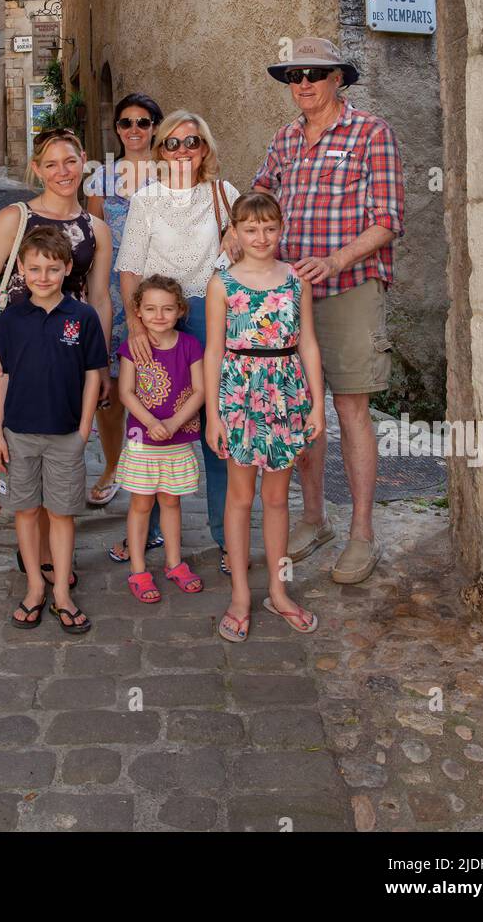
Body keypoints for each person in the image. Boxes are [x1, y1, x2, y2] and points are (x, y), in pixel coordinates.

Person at [253, 36, 404, 585]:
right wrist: (237, 234)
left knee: (351, 409)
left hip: (351, 287)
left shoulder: (371, 133)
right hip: (291, 294)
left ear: (339, 78)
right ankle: (314, 519)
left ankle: (362, 532)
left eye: (315, 74)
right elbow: (259, 198)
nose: (304, 84)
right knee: (301, 411)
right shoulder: (286, 139)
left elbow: (387, 219)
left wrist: (335, 260)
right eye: (294, 76)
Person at [0, 128, 112, 622]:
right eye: (52, 163)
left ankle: (39, 556)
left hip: (65, 353)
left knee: (53, 448)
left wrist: (99, 366)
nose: (63, 171)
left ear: (83, 162)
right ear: (37, 169)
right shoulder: (14, 218)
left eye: (71, 160)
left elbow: (100, 298)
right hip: (13, 353)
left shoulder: (95, 229)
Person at [116, 110, 240, 572]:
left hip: (209, 317)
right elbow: (129, 268)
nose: (182, 151)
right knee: (152, 423)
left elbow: (245, 248)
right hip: (158, 321)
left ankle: (226, 538)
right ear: (160, 149)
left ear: (204, 149)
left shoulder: (223, 194)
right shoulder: (145, 200)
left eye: (192, 142)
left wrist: (237, 244)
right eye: (172, 143)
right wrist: (135, 324)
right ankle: (144, 533)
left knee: (214, 426)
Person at [205, 192, 325, 642]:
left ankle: (278, 588)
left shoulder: (296, 280)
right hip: (239, 394)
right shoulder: (222, 283)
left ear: (281, 229)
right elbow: (214, 350)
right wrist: (214, 415)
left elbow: (308, 342)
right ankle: (239, 593)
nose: (261, 237)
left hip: (286, 393)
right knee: (240, 498)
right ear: (235, 231)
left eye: (269, 228)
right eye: (251, 229)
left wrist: (316, 403)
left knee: (276, 500)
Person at [0, 226, 108, 634]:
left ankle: (61, 592)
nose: (43, 276)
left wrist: (84, 426)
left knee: (61, 512)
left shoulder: (83, 317)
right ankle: (35, 587)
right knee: (25, 509)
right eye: (35, 268)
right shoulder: (11, 319)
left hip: (64, 435)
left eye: (52, 269)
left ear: (68, 268)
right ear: (21, 267)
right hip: (19, 432)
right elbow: (1, 377)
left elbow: (94, 374)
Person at [84, 94, 163, 533]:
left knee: (154, 386)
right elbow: (93, 237)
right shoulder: (101, 179)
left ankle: (150, 483)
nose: (134, 129)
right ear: (116, 128)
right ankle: (114, 467)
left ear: (155, 126)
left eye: (143, 122)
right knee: (109, 388)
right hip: (110, 293)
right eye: (126, 122)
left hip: (157, 297)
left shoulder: (171, 176)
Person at [116, 275, 205, 603]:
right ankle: (138, 569)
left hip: (177, 437)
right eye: (151, 308)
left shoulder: (190, 346)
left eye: (168, 309)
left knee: (171, 500)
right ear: (138, 311)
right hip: (142, 437)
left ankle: (174, 563)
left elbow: (200, 390)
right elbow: (125, 392)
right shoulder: (132, 347)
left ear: (180, 310)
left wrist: (173, 422)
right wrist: (153, 421)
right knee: (140, 502)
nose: (159, 315)